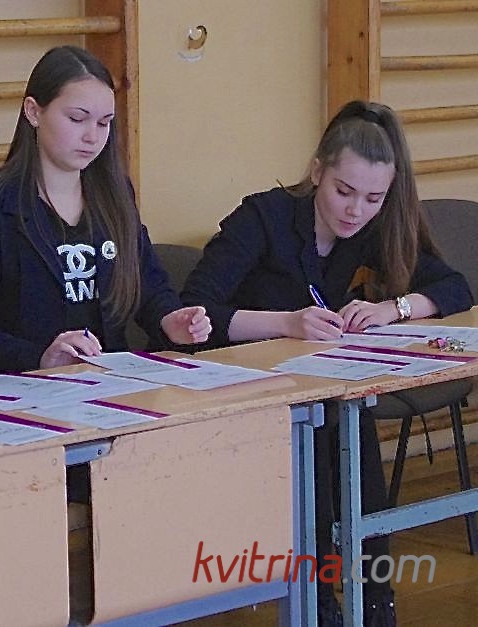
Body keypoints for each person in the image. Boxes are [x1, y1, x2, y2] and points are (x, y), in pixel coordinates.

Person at [181, 100, 473, 625]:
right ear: (317, 172)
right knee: (321, 434)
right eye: (343, 191)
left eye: (373, 199)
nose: (355, 210)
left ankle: (374, 600)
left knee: (352, 421)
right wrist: (286, 322)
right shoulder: (262, 217)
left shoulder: (367, 228)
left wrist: (393, 308)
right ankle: (321, 603)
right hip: (248, 388)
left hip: (321, 386)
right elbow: (195, 314)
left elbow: (454, 286)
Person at [0, 45, 211, 374]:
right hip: (30, 384)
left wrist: (170, 318)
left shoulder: (114, 194)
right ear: (33, 112)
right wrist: (39, 357)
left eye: (104, 123)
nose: (92, 137)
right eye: (77, 119)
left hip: (111, 380)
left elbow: (146, 280)